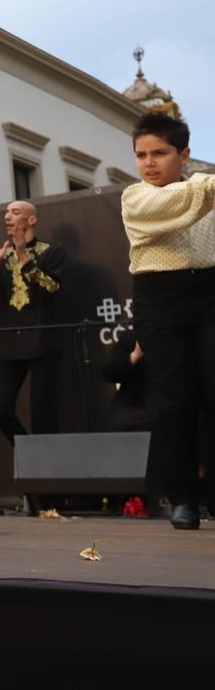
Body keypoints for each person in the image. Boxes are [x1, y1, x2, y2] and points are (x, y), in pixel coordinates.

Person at [120, 111, 215, 530]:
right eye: (141, 154)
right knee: (174, 399)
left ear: (185, 154)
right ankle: (182, 499)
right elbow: (179, 204)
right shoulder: (136, 198)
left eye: (160, 153)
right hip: (159, 298)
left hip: (210, 292)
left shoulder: (204, 191)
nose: (149, 163)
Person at [0, 200, 67, 445]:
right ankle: (28, 455)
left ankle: (47, 471)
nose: (7, 216)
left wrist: (24, 258)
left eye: (15, 212)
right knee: (0, 411)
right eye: (6, 212)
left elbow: (52, 287)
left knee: (43, 417)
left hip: (43, 342)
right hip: (11, 345)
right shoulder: (2, 255)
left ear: (32, 220)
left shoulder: (51, 251)